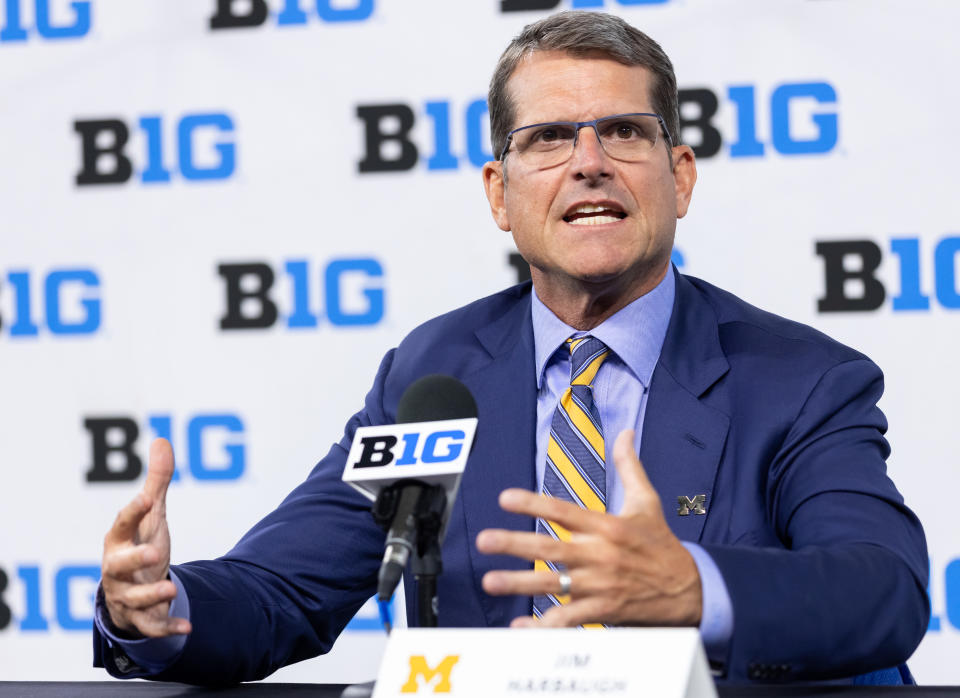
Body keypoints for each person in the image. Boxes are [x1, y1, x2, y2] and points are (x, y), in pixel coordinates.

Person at [94, 11, 928, 685]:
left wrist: (694, 589)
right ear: (500, 193)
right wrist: (163, 609)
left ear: (680, 176)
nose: (590, 164)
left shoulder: (802, 381)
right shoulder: (436, 372)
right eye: (549, 138)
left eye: (625, 134)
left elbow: (884, 590)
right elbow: (285, 588)